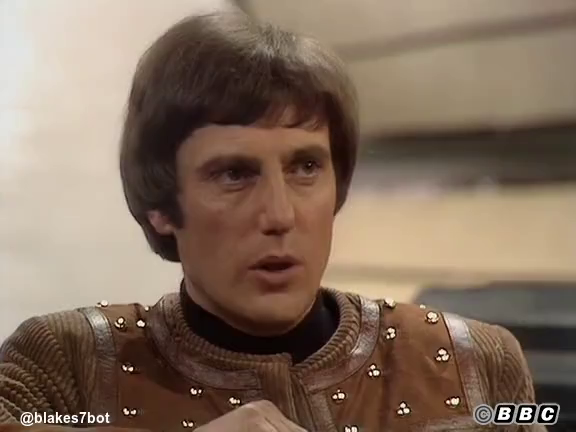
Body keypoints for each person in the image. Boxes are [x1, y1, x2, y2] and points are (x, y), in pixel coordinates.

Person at [0, 9, 544, 432]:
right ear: (161, 207)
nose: (280, 216)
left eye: (306, 167)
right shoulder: (65, 370)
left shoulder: (475, 366)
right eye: (234, 174)